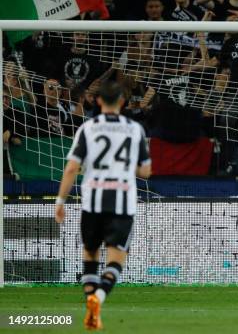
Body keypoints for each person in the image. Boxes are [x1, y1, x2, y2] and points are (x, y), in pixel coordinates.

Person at [54, 80, 152, 329]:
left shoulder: (88, 128)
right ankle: (98, 298)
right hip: (123, 203)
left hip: (93, 201)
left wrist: (60, 200)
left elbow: (72, 168)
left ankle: (91, 302)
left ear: (98, 101)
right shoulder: (134, 129)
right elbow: (146, 171)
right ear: (122, 102)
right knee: (116, 260)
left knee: (90, 255)